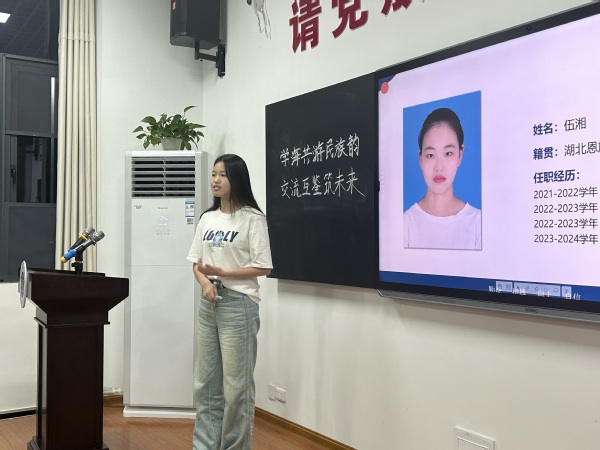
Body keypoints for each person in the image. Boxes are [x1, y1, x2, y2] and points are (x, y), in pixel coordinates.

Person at [187, 154, 273, 450]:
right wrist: (205, 282)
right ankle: (204, 446)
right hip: (209, 302)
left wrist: (222, 274)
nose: (215, 180)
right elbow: (197, 263)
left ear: (237, 179)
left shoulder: (252, 218)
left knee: (236, 387)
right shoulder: (207, 218)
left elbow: (263, 267)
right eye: (213, 174)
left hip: (238, 304)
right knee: (205, 383)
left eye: (222, 175)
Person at [403, 107, 482, 249]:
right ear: (420, 158)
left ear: (460, 155)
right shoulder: (405, 224)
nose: (439, 167)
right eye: (430, 155)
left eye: (448, 153)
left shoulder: (478, 224)